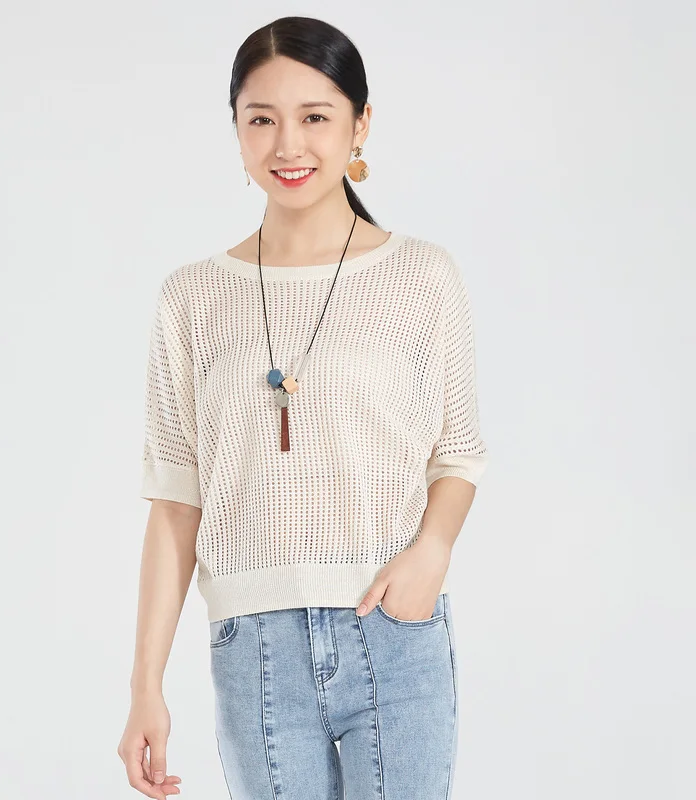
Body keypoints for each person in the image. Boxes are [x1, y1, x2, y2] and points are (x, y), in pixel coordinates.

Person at [117, 15, 489, 800]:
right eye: (262, 120)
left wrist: (431, 554)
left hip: (394, 630)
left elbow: (457, 453)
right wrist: (145, 685)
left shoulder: (421, 277)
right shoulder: (192, 297)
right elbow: (176, 501)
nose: (288, 145)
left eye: (315, 117)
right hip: (254, 651)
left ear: (360, 123)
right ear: (237, 130)